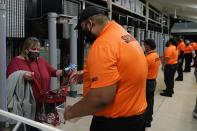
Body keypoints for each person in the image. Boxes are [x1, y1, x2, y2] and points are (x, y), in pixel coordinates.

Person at [63, 6, 148, 131]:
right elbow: (122, 67)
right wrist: (87, 73)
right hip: (137, 117)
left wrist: (70, 112)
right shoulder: (122, 34)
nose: (84, 35)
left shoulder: (103, 44)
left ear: (89, 24)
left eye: (82, 29)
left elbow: (100, 98)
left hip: (115, 123)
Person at [6, 37, 69, 130]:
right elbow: (10, 80)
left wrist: (66, 71)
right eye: (33, 49)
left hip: (42, 105)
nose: (36, 52)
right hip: (26, 106)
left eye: (38, 50)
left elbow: (54, 72)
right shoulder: (15, 62)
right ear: (26, 49)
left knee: (38, 127)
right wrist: (22, 75)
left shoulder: (41, 61)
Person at [144, 39, 160, 127]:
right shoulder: (156, 55)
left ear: (148, 46)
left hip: (147, 83)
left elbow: (141, 71)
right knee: (150, 101)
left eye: (145, 45)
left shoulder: (148, 58)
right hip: (153, 81)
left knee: (146, 102)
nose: (144, 46)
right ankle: (149, 118)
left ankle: (147, 121)